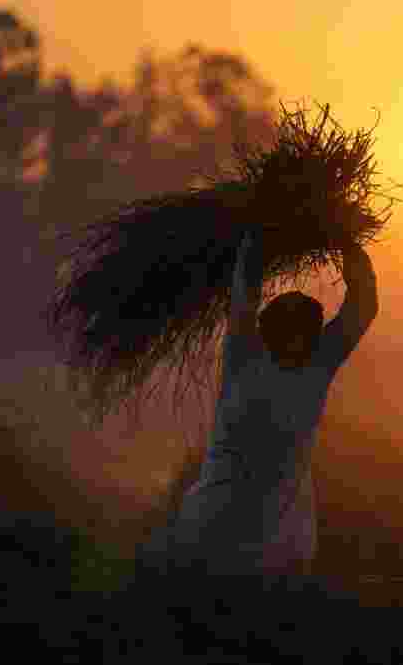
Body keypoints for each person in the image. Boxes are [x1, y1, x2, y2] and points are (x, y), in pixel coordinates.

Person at [139, 230, 378, 577]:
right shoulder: (250, 356)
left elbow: (363, 305)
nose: (295, 339)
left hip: (263, 546)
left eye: (302, 331)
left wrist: (344, 239)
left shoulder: (312, 363)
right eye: (288, 330)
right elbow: (247, 285)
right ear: (268, 333)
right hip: (218, 538)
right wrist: (267, 228)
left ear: (312, 335)